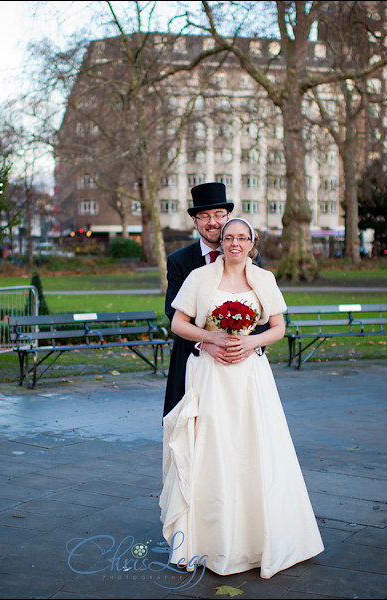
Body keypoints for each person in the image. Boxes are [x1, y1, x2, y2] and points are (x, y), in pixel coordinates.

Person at [159, 217, 324, 579]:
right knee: (214, 448)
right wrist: (211, 338)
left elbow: (278, 327)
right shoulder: (200, 278)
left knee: (255, 448)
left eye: (242, 238)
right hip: (210, 374)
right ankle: (210, 540)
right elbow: (177, 323)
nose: (235, 243)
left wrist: (251, 341)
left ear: (252, 242)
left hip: (251, 376)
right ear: (221, 242)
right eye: (229, 237)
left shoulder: (264, 279)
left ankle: (259, 540)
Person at [163, 182, 268, 417]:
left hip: (243, 361)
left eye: (219, 215)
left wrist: (250, 346)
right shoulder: (179, 261)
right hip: (196, 357)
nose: (213, 222)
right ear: (195, 221)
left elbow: (264, 312)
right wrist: (206, 343)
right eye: (204, 216)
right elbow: (174, 313)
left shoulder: (250, 258)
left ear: (228, 216)